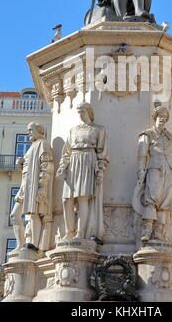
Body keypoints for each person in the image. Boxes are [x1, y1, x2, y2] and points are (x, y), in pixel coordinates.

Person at [56, 102, 109, 242]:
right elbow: (66, 151)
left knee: (83, 198)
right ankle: (69, 232)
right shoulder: (73, 130)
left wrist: (101, 170)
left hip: (88, 160)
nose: (80, 115)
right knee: (67, 200)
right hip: (73, 162)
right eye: (78, 112)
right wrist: (63, 166)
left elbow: (102, 151)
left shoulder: (98, 129)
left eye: (82, 112)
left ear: (89, 112)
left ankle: (80, 233)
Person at [132, 106, 172, 242]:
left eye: (165, 116)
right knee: (152, 198)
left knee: (166, 202)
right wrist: (141, 172)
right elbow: (141, 155)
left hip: (171, 171)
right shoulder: (147, 134)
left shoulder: (171, 138)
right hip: (155, 168)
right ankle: (147, 229)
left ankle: (158, 231)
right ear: (155, 117)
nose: (163, 118)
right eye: (160, 115)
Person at [21, 122, 54, 252]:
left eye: (31, 130)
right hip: (29, 185)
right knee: (31, 214)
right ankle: (31, 241)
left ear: (39, 130)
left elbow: (47, 166)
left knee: (35, 213)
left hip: (36, 185)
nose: (28, 133)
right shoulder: (33, 146)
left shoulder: (43, 144)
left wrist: (43, 186)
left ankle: (35, 243)